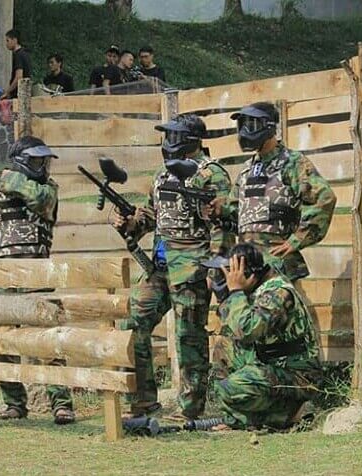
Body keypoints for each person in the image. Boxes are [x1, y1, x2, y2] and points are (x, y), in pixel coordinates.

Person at [114, 114, 233, 420]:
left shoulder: (212, 174)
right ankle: (144, 401)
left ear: (188, 140)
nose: (166, 142)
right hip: (160, 269)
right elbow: (153, 217)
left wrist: (213, 270)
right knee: (132, 322)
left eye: (172, 136)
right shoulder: (162, 175)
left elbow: (223, 226)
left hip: (192, 270)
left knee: (188, 337)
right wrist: (129, 222)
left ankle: (190, 409)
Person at [0, 135, 75, 425]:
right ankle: (14, 403)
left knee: (49, 344)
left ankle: (61, 405)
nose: (43, 166)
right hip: (6, 280)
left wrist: (9, 180)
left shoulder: (47, 190)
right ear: (21, 161)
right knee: (5, 343)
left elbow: (41, 201)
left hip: (38, 278)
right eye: (36, 160)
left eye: (44, 160)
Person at [210, 101, 337, 283]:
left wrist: (296, 240)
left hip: (276, 265)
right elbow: (237, 216)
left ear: (269, 126)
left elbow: (324, 198)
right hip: (248, 265)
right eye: (243, 124)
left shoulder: (292, 162)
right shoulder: (248, 169)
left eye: (252, 124)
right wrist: (219, 211)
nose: (246, 130)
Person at [203, 243, 321, 431]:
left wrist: (235, 292)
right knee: (224, 344)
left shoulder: (277, 292)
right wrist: (227, 297)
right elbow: (233, 328)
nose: (224, 279)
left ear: (248, 274)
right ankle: (241, 418)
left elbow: (248, 330)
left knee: (230, 388)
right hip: (272, 365)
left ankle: (291, 412)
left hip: (298, 375)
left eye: (229, 273)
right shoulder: (254, 288)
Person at [0, 29, 32, 100]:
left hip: (19, 95)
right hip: (26, 93)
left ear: (15, 40)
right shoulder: (25, 53)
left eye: (7, 40)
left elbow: (19, 77)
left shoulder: (18, 55)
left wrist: (7, 91)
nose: (6, 44)